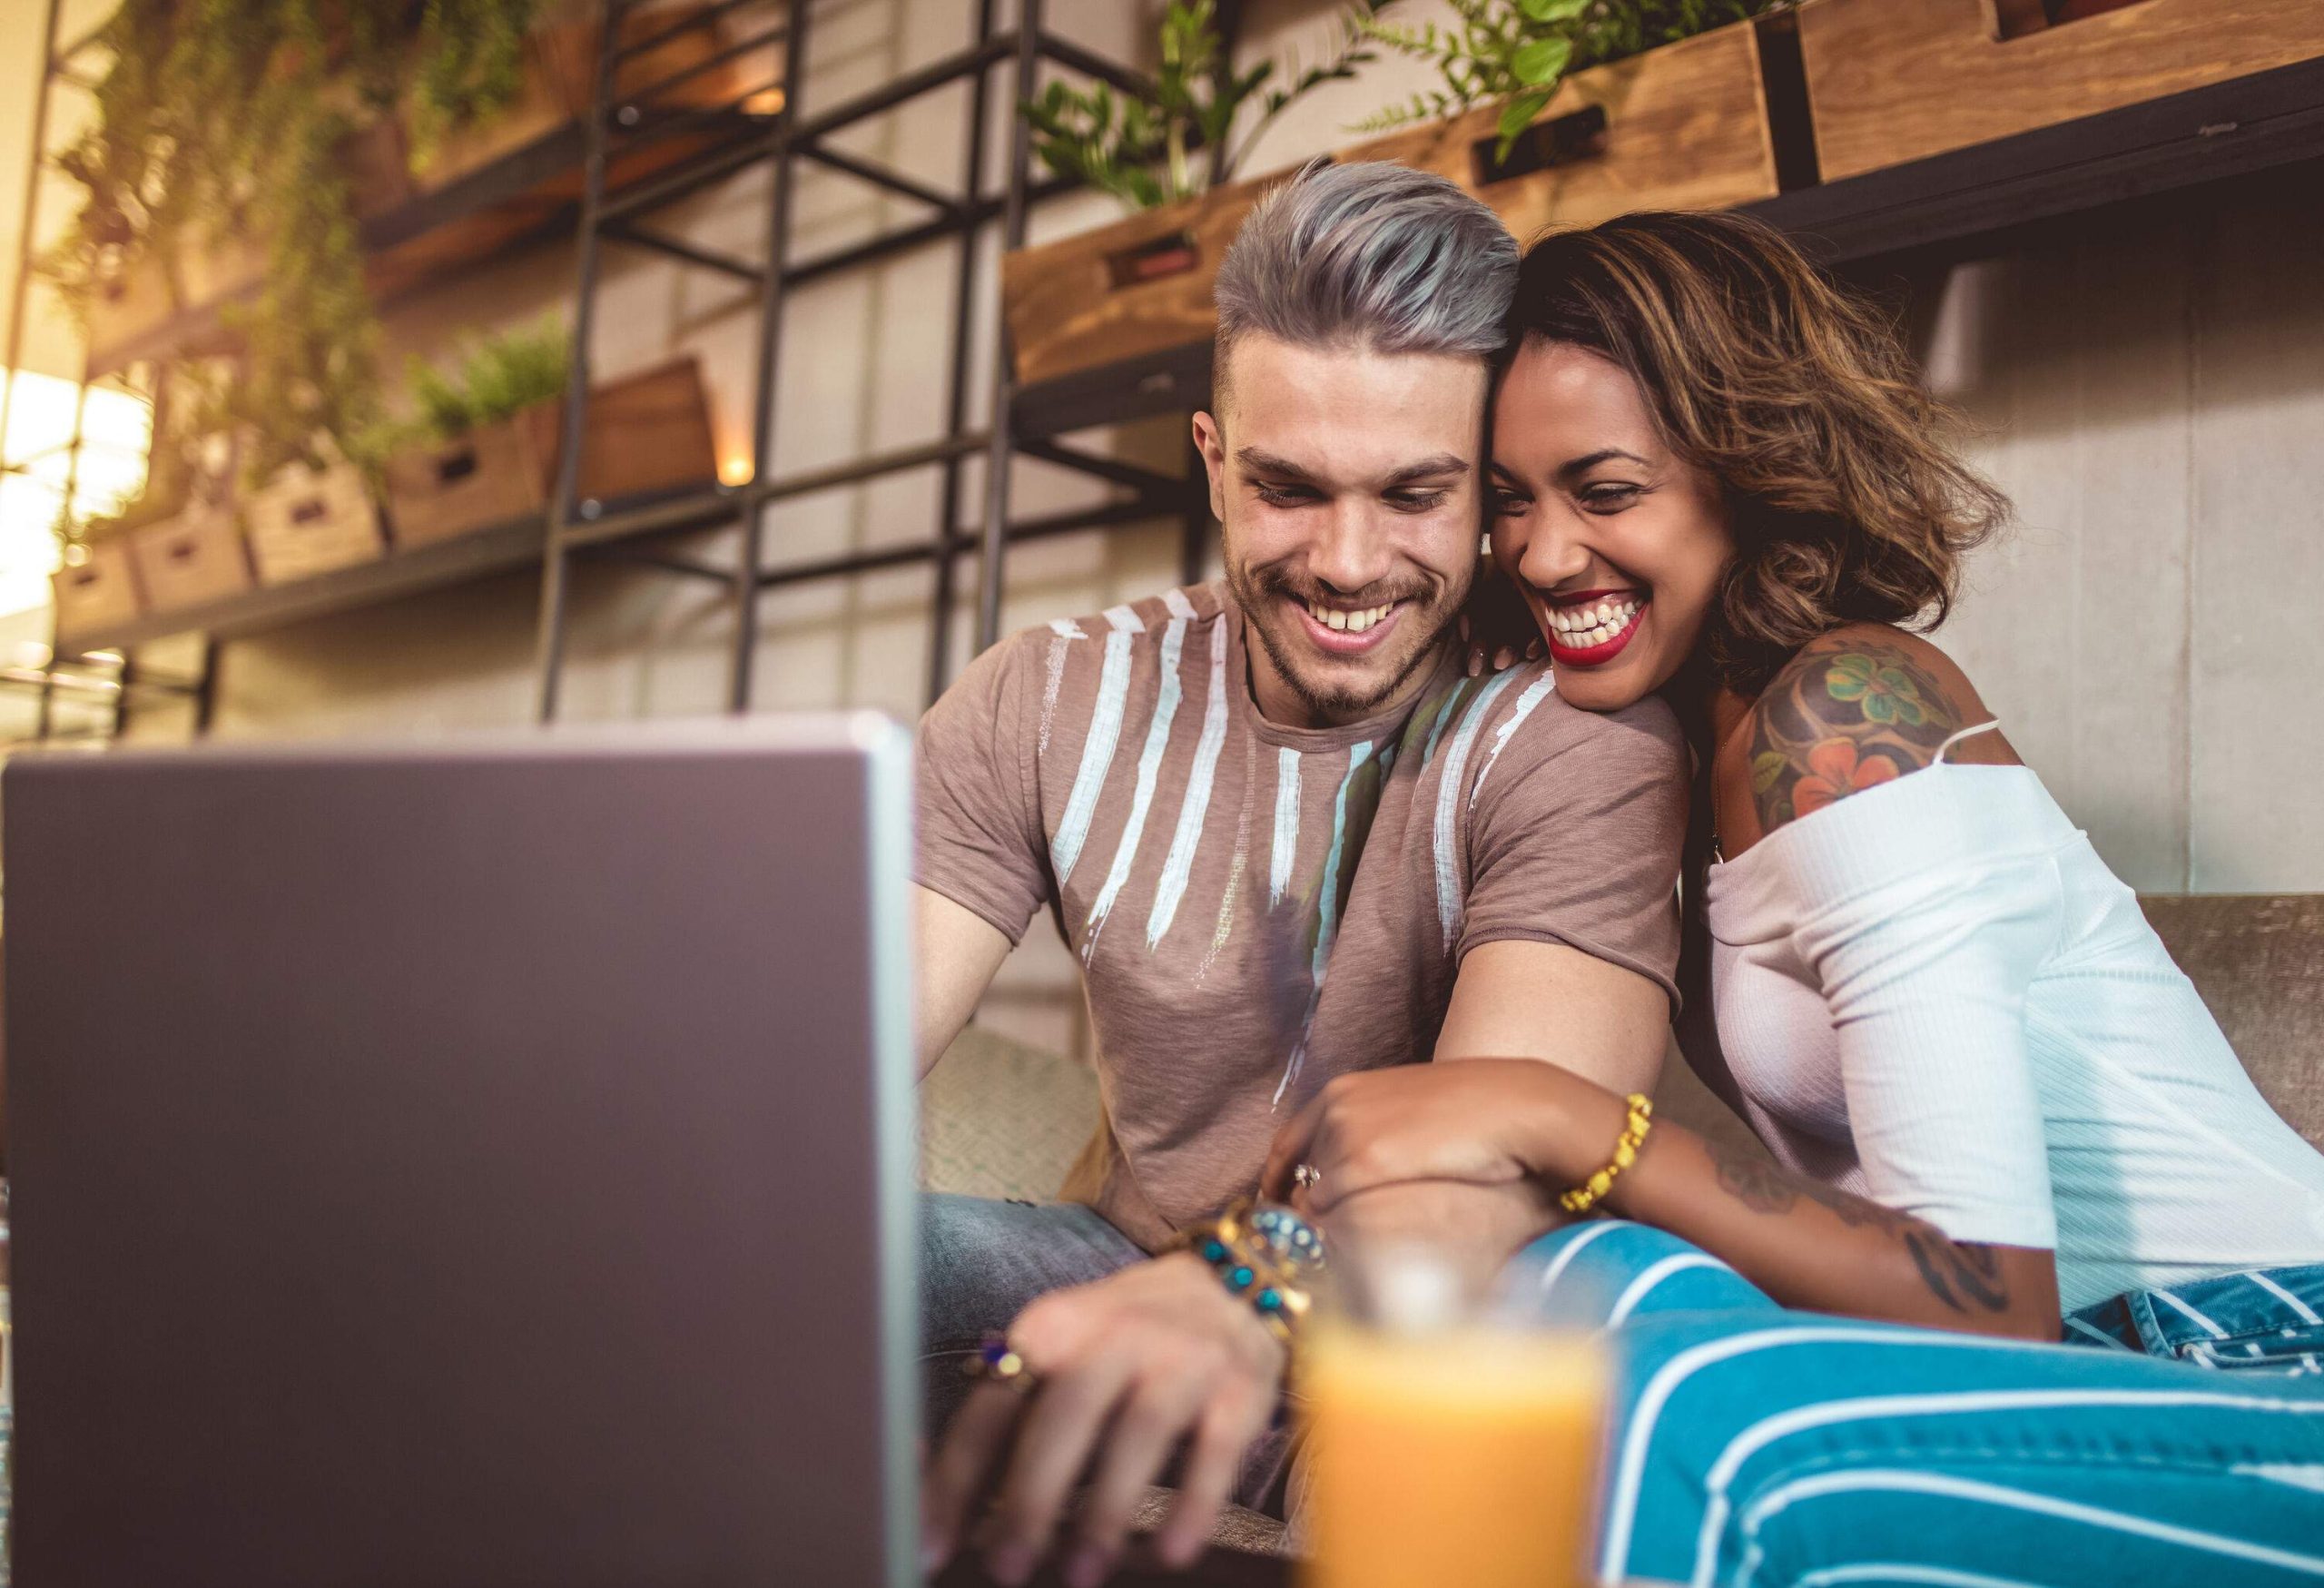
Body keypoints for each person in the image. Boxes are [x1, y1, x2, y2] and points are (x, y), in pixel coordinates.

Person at [1265, 210, 2324, 1583]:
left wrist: (1568, 1117)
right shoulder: (1662, 749)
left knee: (1684, 1414)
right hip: (2092, 1366)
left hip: (2256, 1352)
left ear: (1746, 476)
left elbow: (1991, 1305)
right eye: (1511, 499)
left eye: (1603, 488)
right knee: (1572, 1300)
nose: (1539, 553)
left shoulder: (1847, 710)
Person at [911, 163, 1693, 1588]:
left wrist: (1250, 1287)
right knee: (833, 1261)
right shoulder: (1051, 695)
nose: (1346, 563)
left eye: (1414, 494)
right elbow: (837, 1047)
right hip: (1116, 1268)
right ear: (1212, 457)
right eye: (1287, 488)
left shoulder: (1575, 738)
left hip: (1428, 1311)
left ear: (1487, 485)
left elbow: (1487, 1168)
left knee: (1430, 1437)